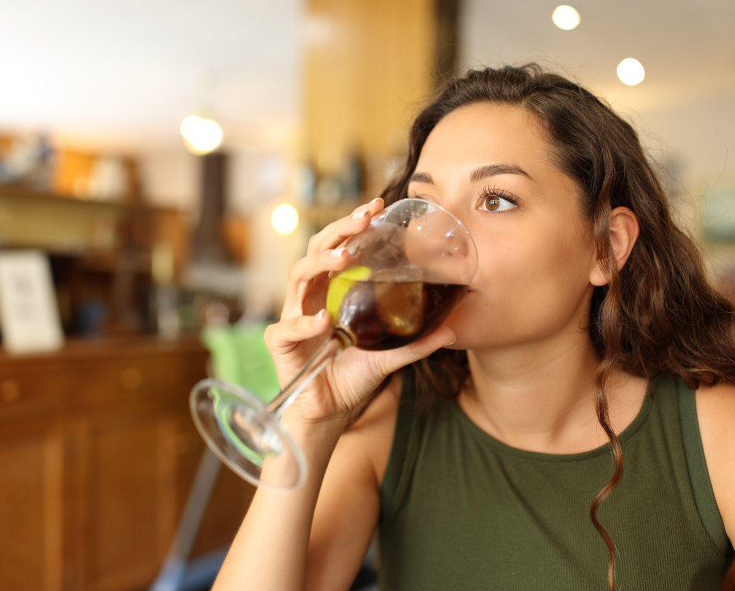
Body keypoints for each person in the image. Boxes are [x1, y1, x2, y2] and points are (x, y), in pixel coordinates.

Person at [211, 64, 735, 590]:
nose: (438, 239)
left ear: (607, 246)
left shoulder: (711, 431)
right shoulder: (393, 425)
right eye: (427, 205)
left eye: (496, 200)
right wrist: (309, 421)